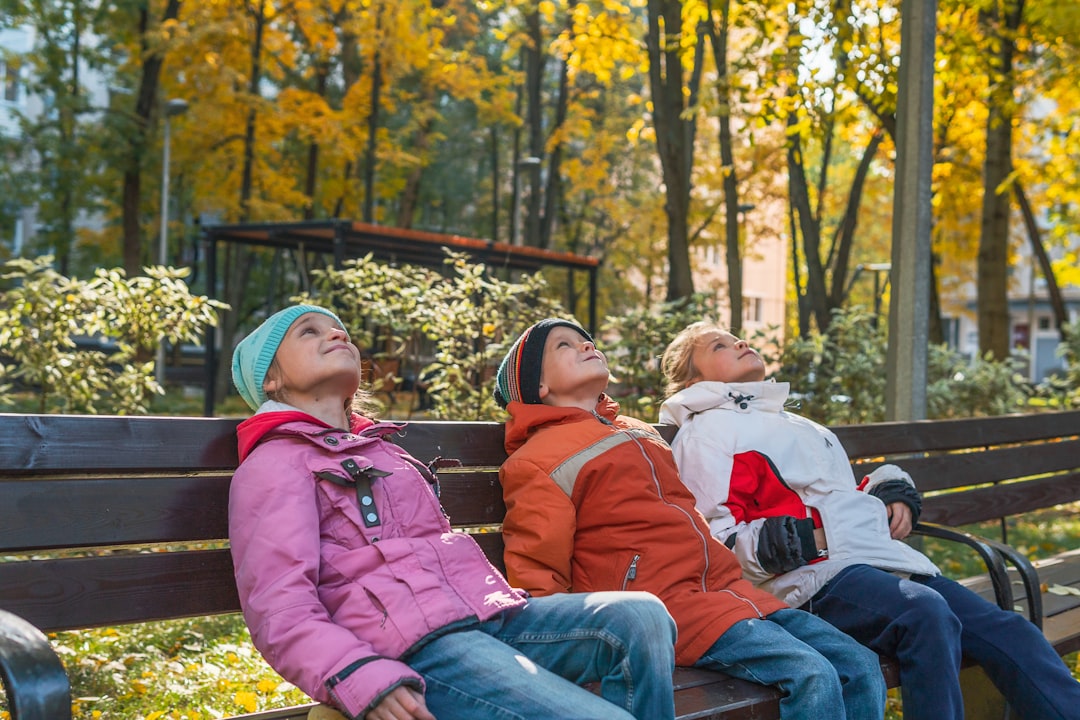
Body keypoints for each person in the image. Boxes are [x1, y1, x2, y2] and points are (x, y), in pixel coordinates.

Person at [228, 304, 679, 720]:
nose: (335, 334)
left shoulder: (385, 454)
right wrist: (359, 676)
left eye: (339, 330)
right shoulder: (275, 465)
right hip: (414, 650)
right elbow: (280, 609)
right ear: (271, 380)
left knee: (640, 617)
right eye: (309, 332)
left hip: (486, 621)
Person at [658, 321, 1080, 720]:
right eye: (719, 346)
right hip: (808, 581)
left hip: (874, 563)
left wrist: (890, 489)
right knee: (926, 614)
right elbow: (714, 536)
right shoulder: (707, 433)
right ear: (695, 382)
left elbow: (840, 494)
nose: (739, 344)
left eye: (736, 338)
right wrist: (808, 540)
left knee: (1007, 629)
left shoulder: (799, 424)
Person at [495, 318, 886, 720]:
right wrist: (567, 654)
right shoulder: (539, 461)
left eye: (587, 340)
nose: (586, 346)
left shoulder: (638, 431)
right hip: (666, 609)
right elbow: (539, 571)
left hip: (729, 593)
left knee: (859, 665)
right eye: (565, 345)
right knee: (813, 674)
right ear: (538, 387)